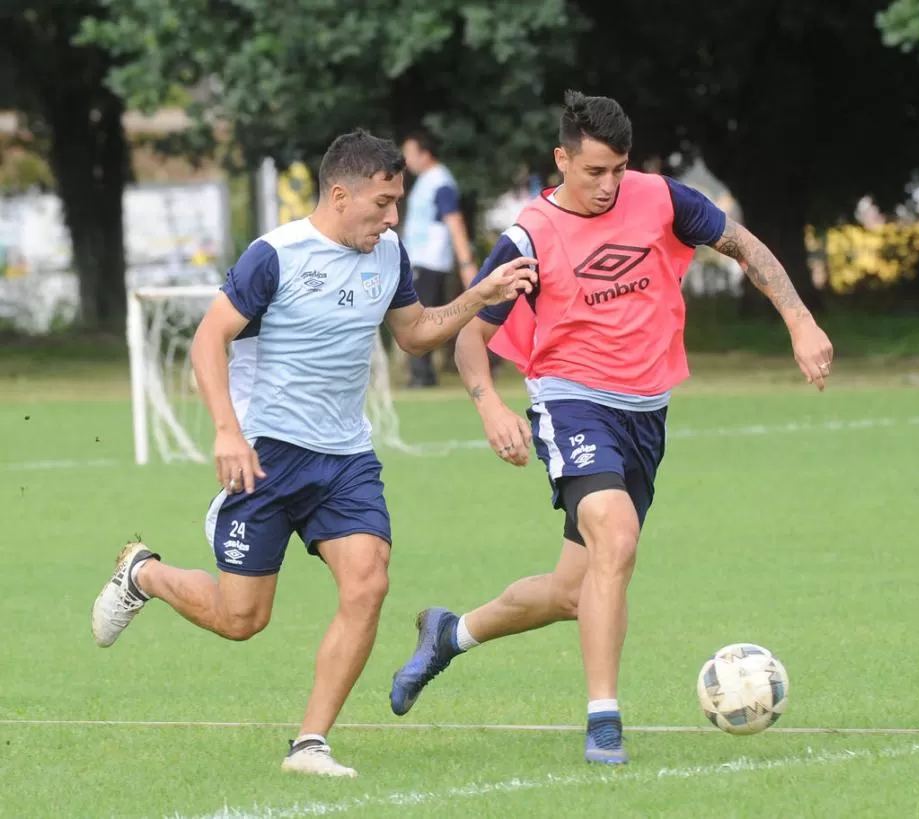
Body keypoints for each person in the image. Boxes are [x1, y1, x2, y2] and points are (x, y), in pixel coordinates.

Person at [388, 91, 833, 765]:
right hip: (571, 405)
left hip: (647, 414)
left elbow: (744, 245)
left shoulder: (661, 199)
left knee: (577, 588)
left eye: (618, 169)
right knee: (616, 540)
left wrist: (800, 319)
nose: (608, 186)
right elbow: (469, 339)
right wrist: (489, 406)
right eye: (594, 171)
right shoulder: (530, 236)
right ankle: (604, 720)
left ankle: (451, 633)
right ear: (562, 158)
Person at [91, 129, 536, 778]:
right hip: (267, 456)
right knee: (242, 619)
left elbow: (413, 335)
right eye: (382, 203)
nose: (391, 218)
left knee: (369, 581)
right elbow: (207, 342)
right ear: (338, 194)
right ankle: (143, 573)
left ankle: (309, 743)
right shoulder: (274, 256)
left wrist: (478, 296)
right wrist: (225, 430)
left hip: (345, 457)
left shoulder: (389, 255)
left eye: (397, 204)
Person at [400, 130, 478, 387]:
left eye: (410, 153)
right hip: (419, 259)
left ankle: (423, 376)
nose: (406, 159)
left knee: (421, 318)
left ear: (425, 153)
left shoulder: (440, 182)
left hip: (430, 261)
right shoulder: (425, 181)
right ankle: (423, 374)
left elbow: (454, 222)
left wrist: (466, 263)